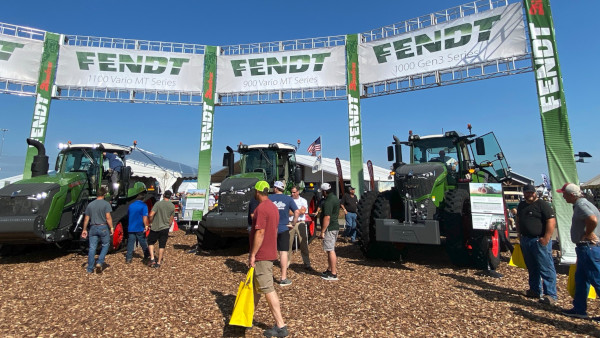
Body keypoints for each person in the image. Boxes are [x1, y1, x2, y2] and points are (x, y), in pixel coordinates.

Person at [249, 181, 288, 337]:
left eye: (254, 190)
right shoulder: (273, 207)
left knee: (267, 288)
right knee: (255, 288)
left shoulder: (261, 209)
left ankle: (281, 325)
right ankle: (247, 318)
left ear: (258, 192)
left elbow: (260, 233)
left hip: (262, 255)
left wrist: (253, 254)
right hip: (270, 251)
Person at [557, 183, 600, 319]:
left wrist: (588, 233)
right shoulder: (585, 204)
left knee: (597, 279)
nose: (563, 196)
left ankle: (580, 308)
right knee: (581, 279)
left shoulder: (582, 205)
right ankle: (579, 309)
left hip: (588, 247)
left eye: (564, 194)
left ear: (572, 195)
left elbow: (592, 219)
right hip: (584, 248)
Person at [515, 184, 558, 304]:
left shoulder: (542, 205)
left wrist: (546, 237)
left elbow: (551, 221)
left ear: (535, 193)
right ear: (524, 193)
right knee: (532, 267)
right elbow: (518, 219)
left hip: (539, 240)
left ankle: (550, 294)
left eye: (531, 192)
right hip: (526, 240)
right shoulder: (522, 205)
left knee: (546, 267)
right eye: (527, 192)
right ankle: (534, 290)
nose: (529, 195)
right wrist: (519, 234)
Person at [269, 181, 299, 286]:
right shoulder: (288, 199)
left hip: (271, 229)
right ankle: (283, 277)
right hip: (284, 228)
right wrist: (293, 223)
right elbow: (297, 212)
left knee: (269, 252)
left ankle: (267, 277)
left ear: (276, 188)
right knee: (283, 252)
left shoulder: (269, 198)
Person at [81, 186, 114, 274]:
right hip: (103, 226)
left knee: (92, 248)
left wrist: (84, 229)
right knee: (106, 244)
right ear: (104, 194)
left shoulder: (90, 204)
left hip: (93, 227)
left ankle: (90, 268)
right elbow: (108, 217)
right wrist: (111, 227)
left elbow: (86, 219)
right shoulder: (106, 204)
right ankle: (99, 262)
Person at [148, 190, 175, 268]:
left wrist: (150, 222)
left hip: (155, 227)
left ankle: (152, 258)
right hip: (165, 227)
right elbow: (171, 218)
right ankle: (159, 262)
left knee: (150, 242)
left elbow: (151, 214)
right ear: (170, 196)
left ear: (163, 195)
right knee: (162, 245)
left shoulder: (158, 204)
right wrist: (169, 225)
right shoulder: (172, 206)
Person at [319, 183, 340, 281]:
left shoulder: (328, 202)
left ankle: (333, 273)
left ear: (324, 191)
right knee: (329, 249)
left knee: (330, 250)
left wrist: (322, 231)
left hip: (330, 228)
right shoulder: (335, 198)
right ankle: (329, 269)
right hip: (335, 226)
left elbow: (327, 217)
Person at [287, 186, 311, 269]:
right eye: (291, 192)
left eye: (294, 192)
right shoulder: (288, 199)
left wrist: (293, 212)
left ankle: (307, 263)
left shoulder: (303, 200)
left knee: (303, 243)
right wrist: (297, 212)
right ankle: (286, 263)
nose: (292, 194)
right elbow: (288, 212)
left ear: (298, 192)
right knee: (288, 244)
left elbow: (303, 211)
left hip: (300, 223)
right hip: (290, 223)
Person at [125, 192, 150, 264]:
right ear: (143, 199)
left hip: (131, 226)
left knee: (130, 243)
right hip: (139, 226)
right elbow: (144, 217)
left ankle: (128, 258)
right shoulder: (144, 205)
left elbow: (128, 215)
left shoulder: (131, 205)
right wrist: (146, 225)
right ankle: (146, 255)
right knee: (143, 242)